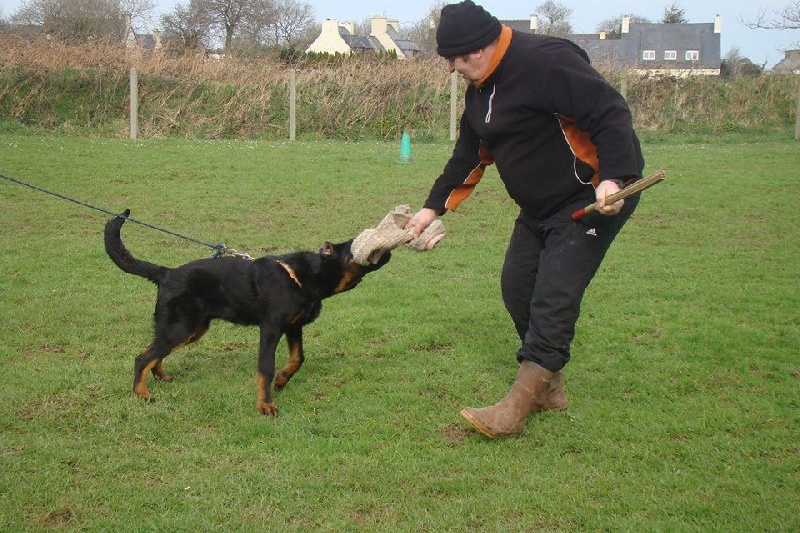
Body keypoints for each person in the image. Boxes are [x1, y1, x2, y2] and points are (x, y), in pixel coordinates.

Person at [404, 0, 645, 438]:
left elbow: (610, 112)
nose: (452, 70)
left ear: (478, 49)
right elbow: (469, 156)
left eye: (455, 61)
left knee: (553, 296)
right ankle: (549, 388)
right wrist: (429, 209)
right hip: (538, 208)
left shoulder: (546, 63)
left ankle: (517, 405)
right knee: (517, 288)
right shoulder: (481, 90)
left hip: (589, 199)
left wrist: (613, 178)